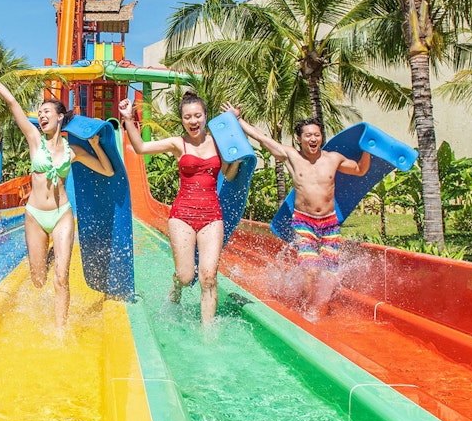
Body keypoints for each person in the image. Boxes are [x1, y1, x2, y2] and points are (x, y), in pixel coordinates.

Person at [0, 52, 113, 327]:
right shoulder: (34, 140)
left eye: (47, 112)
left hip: (61, 214)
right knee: (38, 279)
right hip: (35, 215)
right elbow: (12, 103)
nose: (41, 115)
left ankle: (61, 330)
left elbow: (107, 170)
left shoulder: (73, 151)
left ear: (60, 117)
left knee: (62, 276)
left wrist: (95, 145)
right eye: (40, 112)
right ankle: (48, 259)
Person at [225, 107, 370, 320]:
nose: (313, 139)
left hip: (330, 223)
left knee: (330, 273)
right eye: (308, 135)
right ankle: (308, 310)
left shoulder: (333, 158)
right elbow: (261, 137)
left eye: (316, 135)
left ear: (322, 137)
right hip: (304, 222)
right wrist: (238, 120)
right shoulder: (291, 156)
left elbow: (359, 170)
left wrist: (367, 149)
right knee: (311, 270)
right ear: (299, 139)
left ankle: (315, 301)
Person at [119, 92, 239, 326]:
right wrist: (127, 118)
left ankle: (208, 335)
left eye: (197, 116)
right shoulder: (178, 144)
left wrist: (234, 144)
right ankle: (176, 287)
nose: (193, 121)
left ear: (205, 117)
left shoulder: (219, 142)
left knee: (208, 277)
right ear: (182, 120)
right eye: (187, 117)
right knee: (186, 276)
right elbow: (141, 147)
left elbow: (229, 174)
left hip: (212, 216)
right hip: (182, 216)